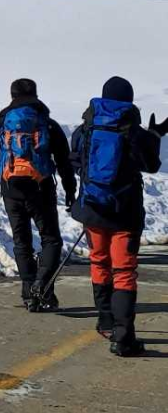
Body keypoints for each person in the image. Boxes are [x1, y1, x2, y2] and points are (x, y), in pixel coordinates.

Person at [70, 76, 165, 357]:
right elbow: (151, 165)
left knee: (99, 262)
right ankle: (123, 338)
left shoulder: (85, 128)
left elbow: (75, 162)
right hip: (124, 212)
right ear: (129, 101)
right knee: (123, 271)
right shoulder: (134, 130)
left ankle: (106, 321)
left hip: (93, 209)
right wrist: (156, 135)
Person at [0, 79, 77, 311]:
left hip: (10, 189)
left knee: (21, 241)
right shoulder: (47, 124)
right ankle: (42, 287)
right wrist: (70, 189)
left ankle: (28, 292)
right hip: (40, 189)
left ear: (11, 95)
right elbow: (64, 160)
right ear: (35, 94)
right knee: (50, 239)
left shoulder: (2, 124)